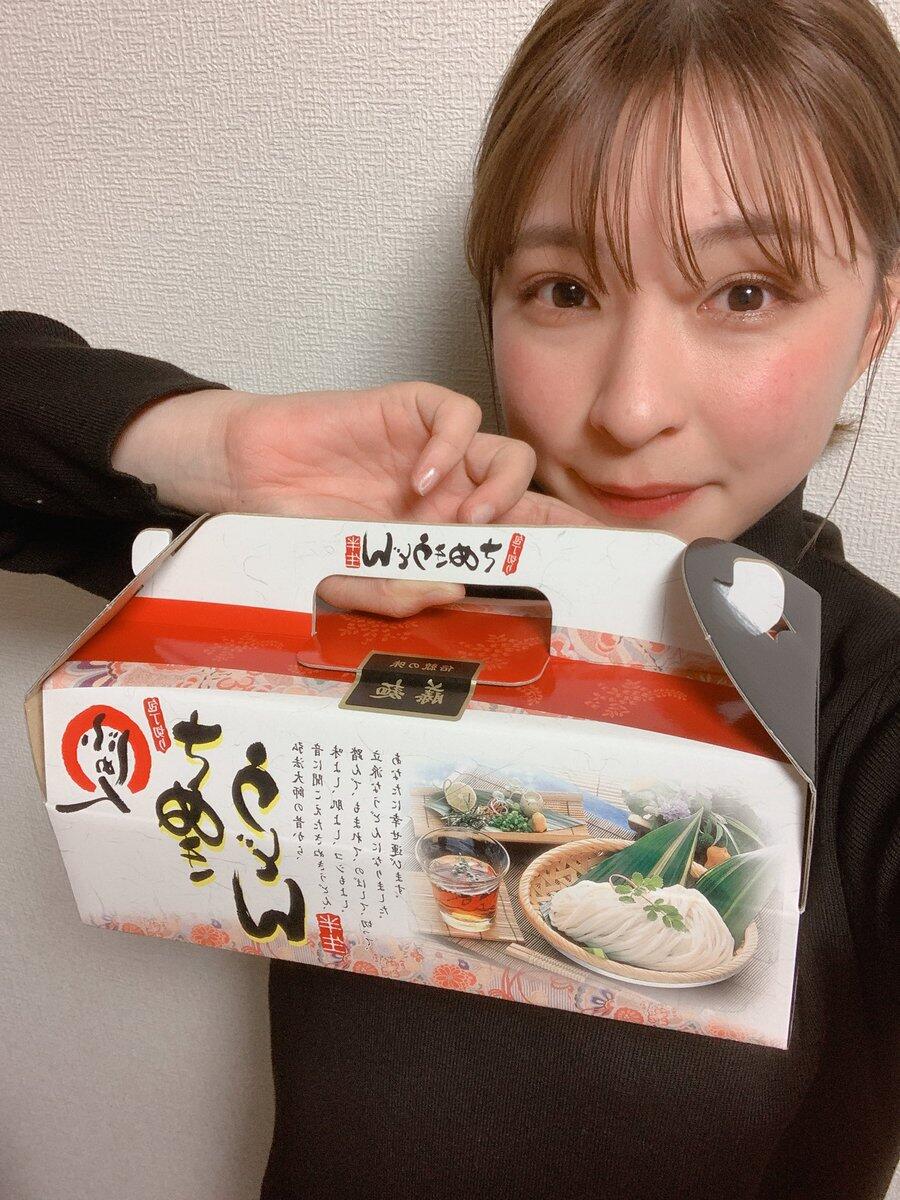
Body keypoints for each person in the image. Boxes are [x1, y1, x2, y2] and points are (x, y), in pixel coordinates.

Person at [2, 1, 898, 1197]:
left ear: (876, 316)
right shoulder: (383, 581)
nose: (630, 408)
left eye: (745, 293)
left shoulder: (868, 699)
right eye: (565, 289)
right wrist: (219, 450)